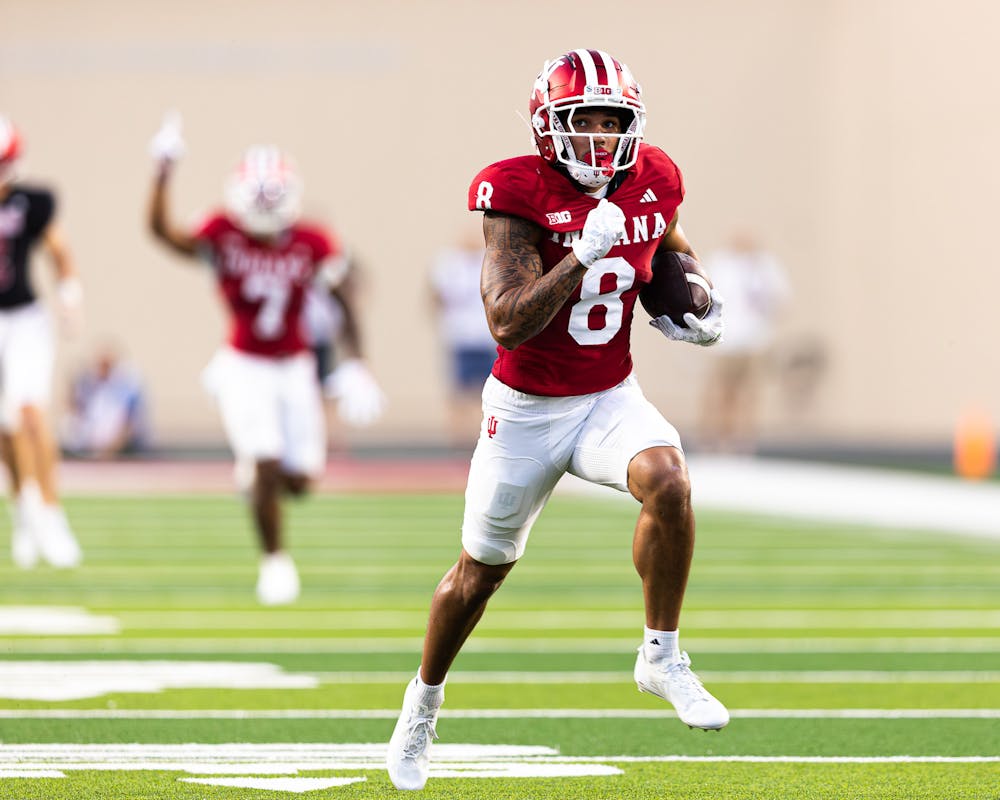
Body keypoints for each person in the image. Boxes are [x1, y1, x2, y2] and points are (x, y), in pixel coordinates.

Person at [387, 49, 728, 791]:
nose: (602, 139)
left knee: (669, 481)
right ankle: (423, 702)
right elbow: (507, 321)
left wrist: (694, 297)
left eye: (615, 122)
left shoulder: (654, 178)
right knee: (479, 575)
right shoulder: (514, 193)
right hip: (525, 410)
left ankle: (661, 656)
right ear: (550, 126)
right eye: (586, 121)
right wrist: (579, 255)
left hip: (609, 396)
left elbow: (667, 240)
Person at [147, 113, 385, 605]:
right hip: (243, 365)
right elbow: (162, 233)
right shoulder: (221, 232)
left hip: (295, 366)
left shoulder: (312, 241)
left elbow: (343, 300)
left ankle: (255, 480)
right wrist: (162, 171)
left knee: (298, 482)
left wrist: (357, 363)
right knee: (265, 460)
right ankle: (275, 561)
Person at [0, 115, 84, 569]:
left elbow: (58, 249)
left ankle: (51, 515)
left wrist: (70, 293)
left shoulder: (31, 201)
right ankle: (23, 512)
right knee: (5, 429)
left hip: (24, 318)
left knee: (30, 413)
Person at [698, 230, 791, 454]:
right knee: (722, 391)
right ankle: (714, 438)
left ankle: (742, 440)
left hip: (754, 340)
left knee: (749, 392)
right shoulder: (721, 264)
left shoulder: (764, 266)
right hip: (725, 340)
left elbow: (781, 298)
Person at [427, 228, 495, 448]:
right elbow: (435, 297)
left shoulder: (491, 261)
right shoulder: (449, 264)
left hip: (488, 338)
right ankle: (458, 442)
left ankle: (484, 440)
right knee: (459, 393)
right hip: (461, 338)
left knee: (489, 395)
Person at [62, 343, 150, 459]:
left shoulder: (125, 389)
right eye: (100, 366)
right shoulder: (90, 388)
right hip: (90, 448)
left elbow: (129, 425)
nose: (102, 370)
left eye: (107, 366)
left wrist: (111, 450)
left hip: (121, 452)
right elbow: (75, 411)